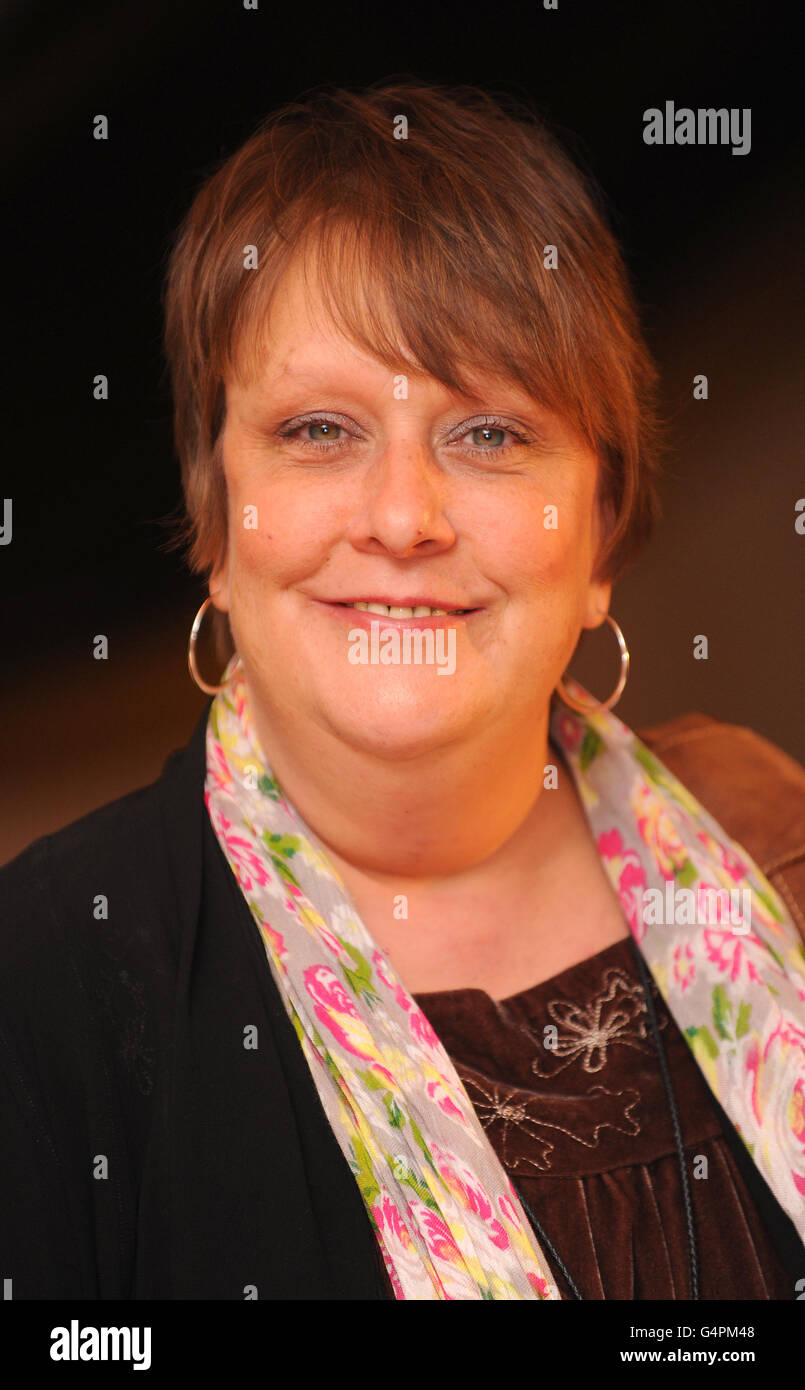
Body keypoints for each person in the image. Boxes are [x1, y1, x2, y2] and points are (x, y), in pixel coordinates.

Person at [2, 79, 804, 1302]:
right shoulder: (46, 985)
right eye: (319, 430)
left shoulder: (771, 844)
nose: (400, 518)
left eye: (487, 433)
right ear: (217, 522)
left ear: (600, 540)